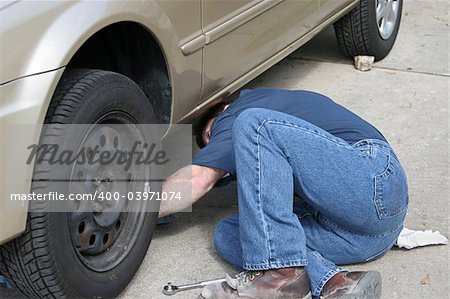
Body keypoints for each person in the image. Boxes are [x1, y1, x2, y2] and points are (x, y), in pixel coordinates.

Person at [159, 88, 409, 299]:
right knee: (229, 233)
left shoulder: (237, 112)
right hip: (365, 240)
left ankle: (282, 273)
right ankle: (336, 282)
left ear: (220, 110)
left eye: (210, 138)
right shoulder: (283, 110)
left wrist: (130, 208)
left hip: (374, 180)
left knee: (253, 124)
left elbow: (197, 179)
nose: (214, 145)